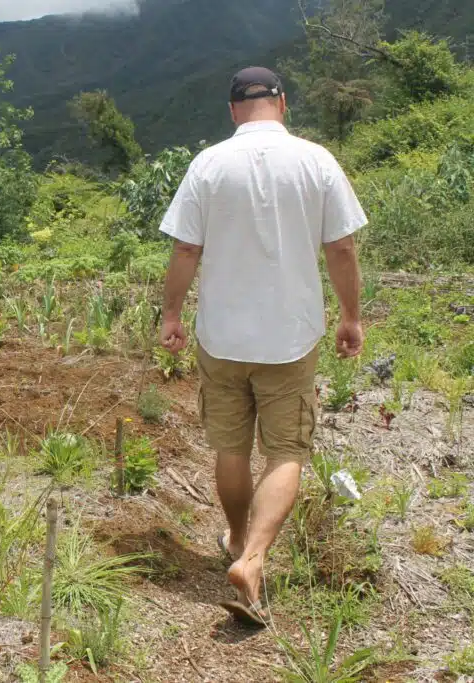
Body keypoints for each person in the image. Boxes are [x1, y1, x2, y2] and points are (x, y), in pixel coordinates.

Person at [157, 67, 367, 627]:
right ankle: (252, 558)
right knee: (286, 451)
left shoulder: (208, 165)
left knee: (231, 447)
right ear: (283, 103)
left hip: (222, 337)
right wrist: (351, 317)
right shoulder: (316, 161)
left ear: (232, 110)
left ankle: (234, 538)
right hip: (290, 337)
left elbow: (185, 250)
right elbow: (342, 248)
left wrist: (172, 314)